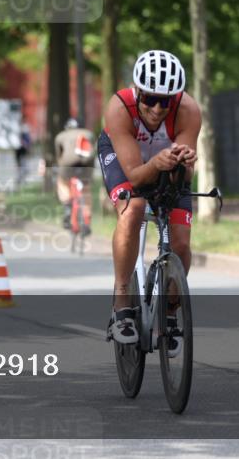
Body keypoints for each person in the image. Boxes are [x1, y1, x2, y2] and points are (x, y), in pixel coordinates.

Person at [98, 50, 200, 350]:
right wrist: (156, 163)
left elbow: (186, 178)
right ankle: (121, 304)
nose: (157, 108)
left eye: (165, 101)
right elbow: (136, 176)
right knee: (135, 208)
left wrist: (185, 164)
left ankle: (168, 314)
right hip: (126, 160)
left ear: (176, 99)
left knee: (181, 243)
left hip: (165, 164)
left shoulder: (189, 110)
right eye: (150, 99)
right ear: (138, 92)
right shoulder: (119, 108)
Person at [54, 118, 96, 236]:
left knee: (62, 183)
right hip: (86, 165)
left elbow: (59, 156)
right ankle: (87, 222)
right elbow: (93, 152)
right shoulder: (89, 134)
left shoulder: (60, 136)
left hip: (68, 164)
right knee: (86, 191)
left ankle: (67, 205)